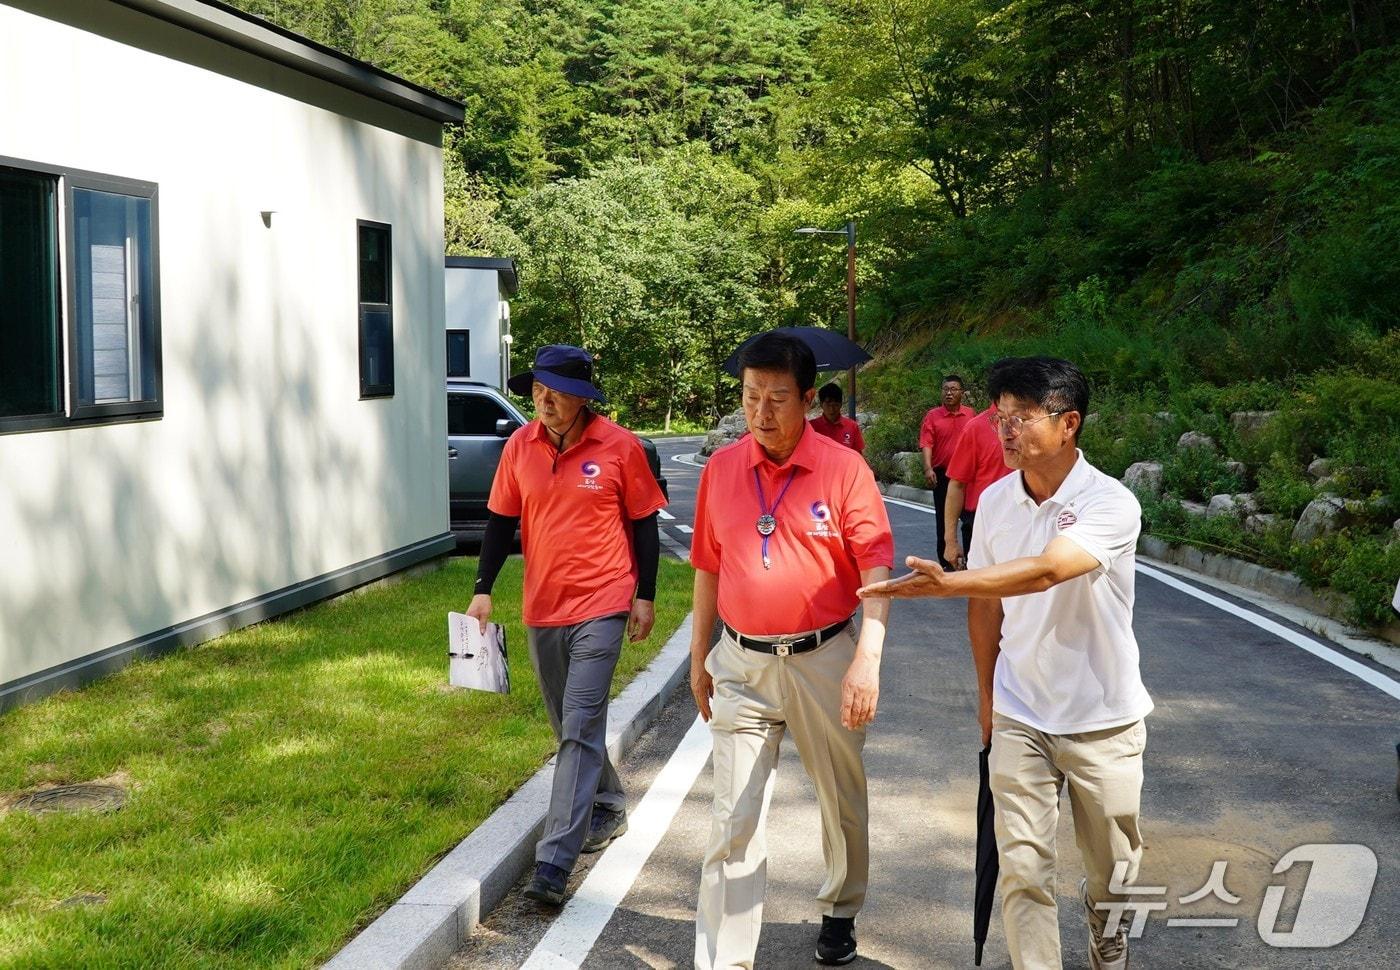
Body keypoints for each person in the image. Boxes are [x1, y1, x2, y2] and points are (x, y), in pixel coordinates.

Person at [861, 356, 1153, 970]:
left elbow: (1048, 569)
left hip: (1103, 717)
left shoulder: (1111, 502)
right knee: (1022, 869)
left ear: (1068, 422)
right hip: (1021, 711)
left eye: (1022, 417)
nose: (1006, 430)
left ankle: (1107, 926)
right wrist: (989, 700)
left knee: (1116, 872)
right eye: (1001, 418)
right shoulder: (994, 501)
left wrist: (951, 584)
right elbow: (988, 608)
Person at [689, 332, 894, 969]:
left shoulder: (843, 469)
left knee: (840, 797)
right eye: (752, 397)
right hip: (742, 663)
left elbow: (877, 568)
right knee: (733, 817)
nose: (762, 412)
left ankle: (840, 908)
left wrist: (868, 659)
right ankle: (726, 958)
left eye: (778, 398)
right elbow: (706, 569)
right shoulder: (722, 470)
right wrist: (699, 657)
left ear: (808, 399)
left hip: (824, 659)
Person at [467, 344, 667, 907]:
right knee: (568, 725)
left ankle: (554, 861)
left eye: (555, 390)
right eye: (537, 389)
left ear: (583, 397)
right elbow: (501, 522)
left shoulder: (620, 447)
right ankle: (607, 802)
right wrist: (483, 590)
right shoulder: (520, 446)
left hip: (603, 601)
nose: (544, 399)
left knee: (579, 724)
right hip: (543, 606)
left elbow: (645, 525)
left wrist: (643, 597)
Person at [942, 370, 1015, 568]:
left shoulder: (1034, 427)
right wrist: (950, 541)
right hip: (981, 522)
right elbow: (956, 485)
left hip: (1021, 518)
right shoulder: (976, 428)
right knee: (983, 594)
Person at [918, 375, 975, 568]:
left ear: (962, 392)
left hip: (967, 475)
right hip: (943, 475)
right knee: (944, 519)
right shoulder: (932, 416)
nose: (949, 393)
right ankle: (946, 560)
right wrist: (928, 468)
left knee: (970, 518)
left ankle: (971, 557)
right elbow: (927, 443)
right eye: (945, 389)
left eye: (953, 389)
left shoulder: (970, 415)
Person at [809, 382, 865, 453]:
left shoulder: (852, 427)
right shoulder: (811, 427)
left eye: (836, 404)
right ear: (821, 404)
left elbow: (858, 455)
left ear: (841, 404)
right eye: (828, 403)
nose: (832, 408)